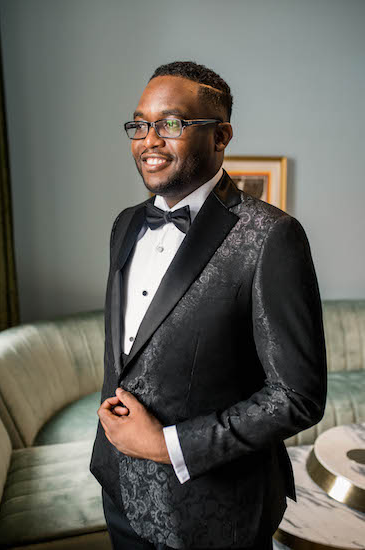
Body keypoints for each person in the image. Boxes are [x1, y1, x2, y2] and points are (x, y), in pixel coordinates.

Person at [89, 61, 327, 550]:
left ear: (220, 136)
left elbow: (298, 396)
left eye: (171, 124)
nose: (149, 139)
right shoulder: (125, 224)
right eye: (140, 124)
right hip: (118, 491)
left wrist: (165, 446)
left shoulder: (272, 237)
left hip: (216, 515)